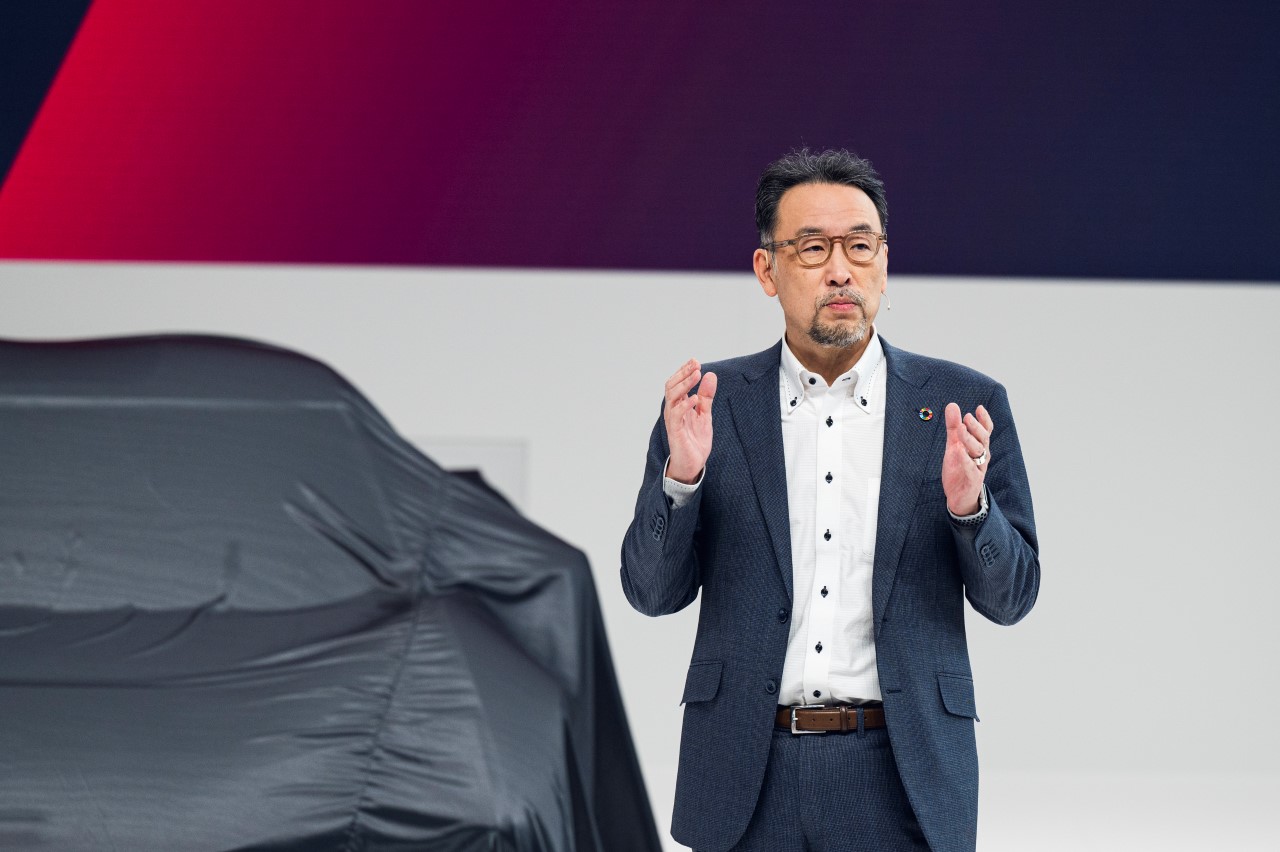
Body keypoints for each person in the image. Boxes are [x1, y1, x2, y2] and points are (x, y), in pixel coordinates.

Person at [620, 149, 1039, 852]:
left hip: (901, 773)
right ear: (766, 270)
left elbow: (1013, 599)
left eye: (860, 246)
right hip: (746, 773)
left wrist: (972, 512)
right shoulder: (709, 406)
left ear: (884, 263)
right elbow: (651, 593)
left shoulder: (963, 403)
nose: (841, 270)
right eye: (813, 248)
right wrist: (681, 479)